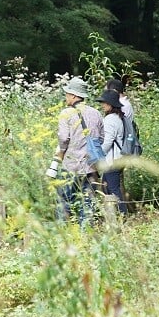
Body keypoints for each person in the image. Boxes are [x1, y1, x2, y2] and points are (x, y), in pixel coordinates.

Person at [55, 77, 104, 225]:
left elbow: (63, 138)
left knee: (63, 201)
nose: (66, 97)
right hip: (91, 166)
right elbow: (101, 138)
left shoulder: (66, 113)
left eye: (67, 94)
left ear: (74, 95)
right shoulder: (96, 113)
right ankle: (86, 236)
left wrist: (60, 154)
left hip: (71, 165)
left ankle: (63, 234)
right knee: (87, 204)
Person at [96, 89, 128, 214]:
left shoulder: (110, 119)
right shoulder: (119, 117)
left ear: (110, 104)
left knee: (113, 189)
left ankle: (122, 215)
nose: (102, 105)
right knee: (105, 186)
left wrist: (98, 155)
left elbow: (107, 142)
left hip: (112, 160)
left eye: (104, 102)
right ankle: (115, 214)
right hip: (119, 158)